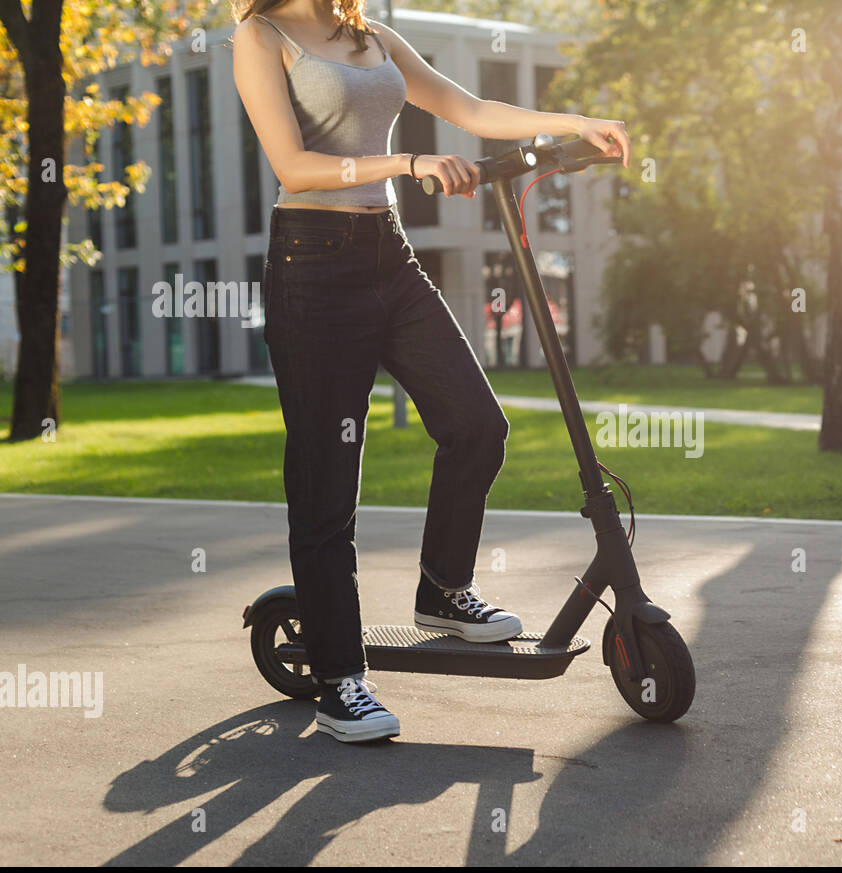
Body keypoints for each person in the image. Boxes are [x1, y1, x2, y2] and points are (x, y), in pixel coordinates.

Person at [231, 0, 630, 743]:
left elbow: (468, 107)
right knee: (326, 479)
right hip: (311, 265)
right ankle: (340, 680)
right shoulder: (261, 37)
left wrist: (574, 125)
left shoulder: (368, 35)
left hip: (390, 257)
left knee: (477, 426)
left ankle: (444, 591)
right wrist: (407, 162)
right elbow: (294, 165)